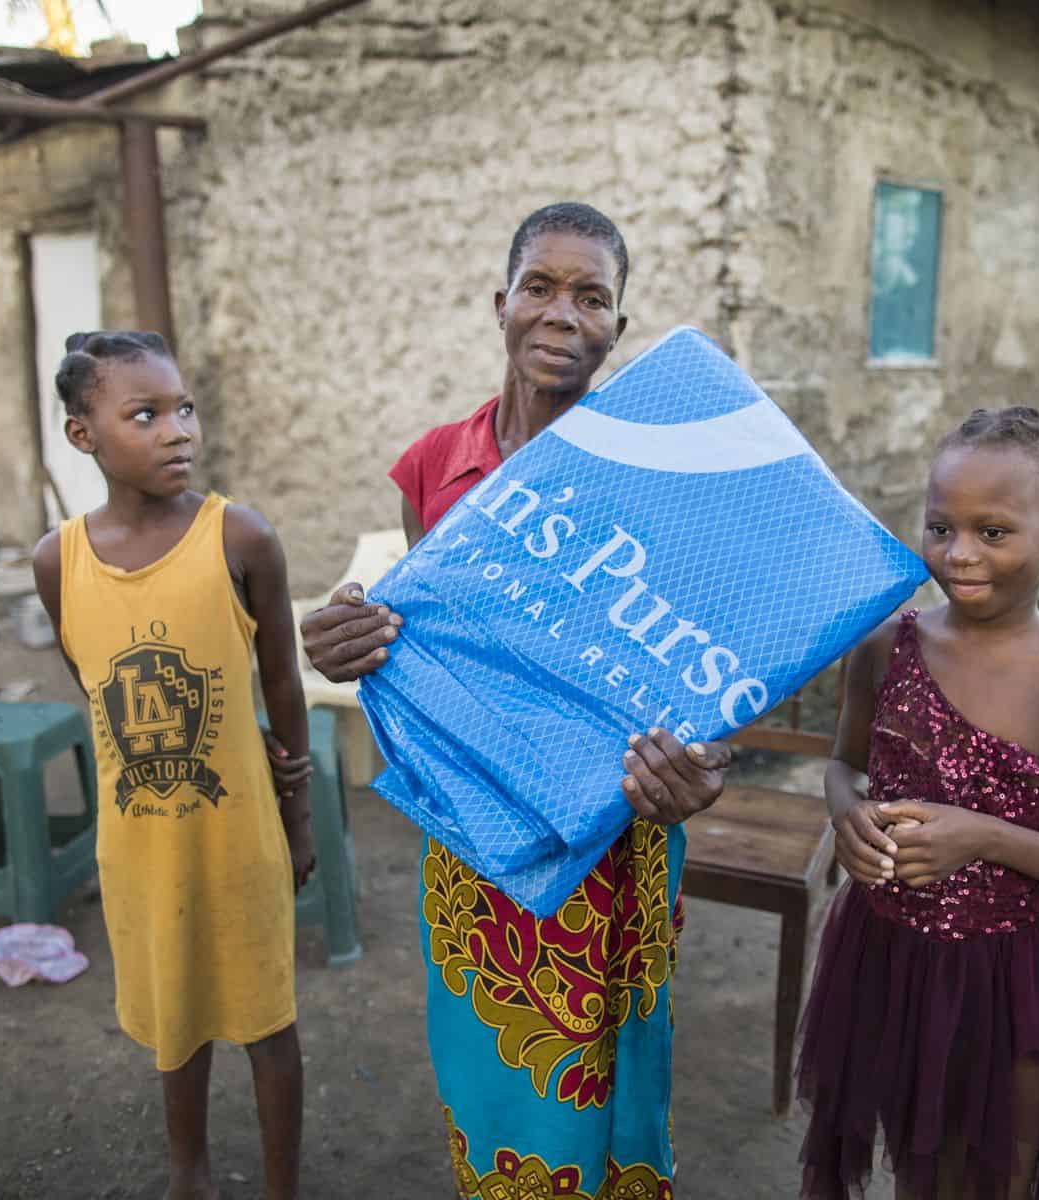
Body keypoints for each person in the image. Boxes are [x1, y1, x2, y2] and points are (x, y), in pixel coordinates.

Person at [298, 202, 733, 1198]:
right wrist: (351, 645)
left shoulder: (652, 480)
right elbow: (430, 647)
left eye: (592, 297)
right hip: (481, 832)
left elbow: (702, 672)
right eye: (540, 286)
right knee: (496, 1083)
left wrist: (705, 769)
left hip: (617, 831)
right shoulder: (434, 468)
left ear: (619, 328)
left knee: (620, 1082)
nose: (561, 313)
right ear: (500, 302)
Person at [795, 407, 1039, 1200]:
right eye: (940, 527)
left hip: (1010, 983)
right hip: (881, 953)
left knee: (988, 1174)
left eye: (993, 532)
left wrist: (986, 837)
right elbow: (844, 766)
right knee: (909, 1164)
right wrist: (846, 812)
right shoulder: (887, 646)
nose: (959, 555)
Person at [30, 331, 317, 1200]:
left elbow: (282, 688)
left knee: (268, 1026)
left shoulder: (240, 538)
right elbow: (96, 686)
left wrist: (296, 819)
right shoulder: (60, 562)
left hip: (242, 841)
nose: (176, 431)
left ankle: (280, 1188)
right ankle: (187, 1175)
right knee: (175, 1023)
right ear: (85, 437)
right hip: (141, 850)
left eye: (183, 408)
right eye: (144, 414)